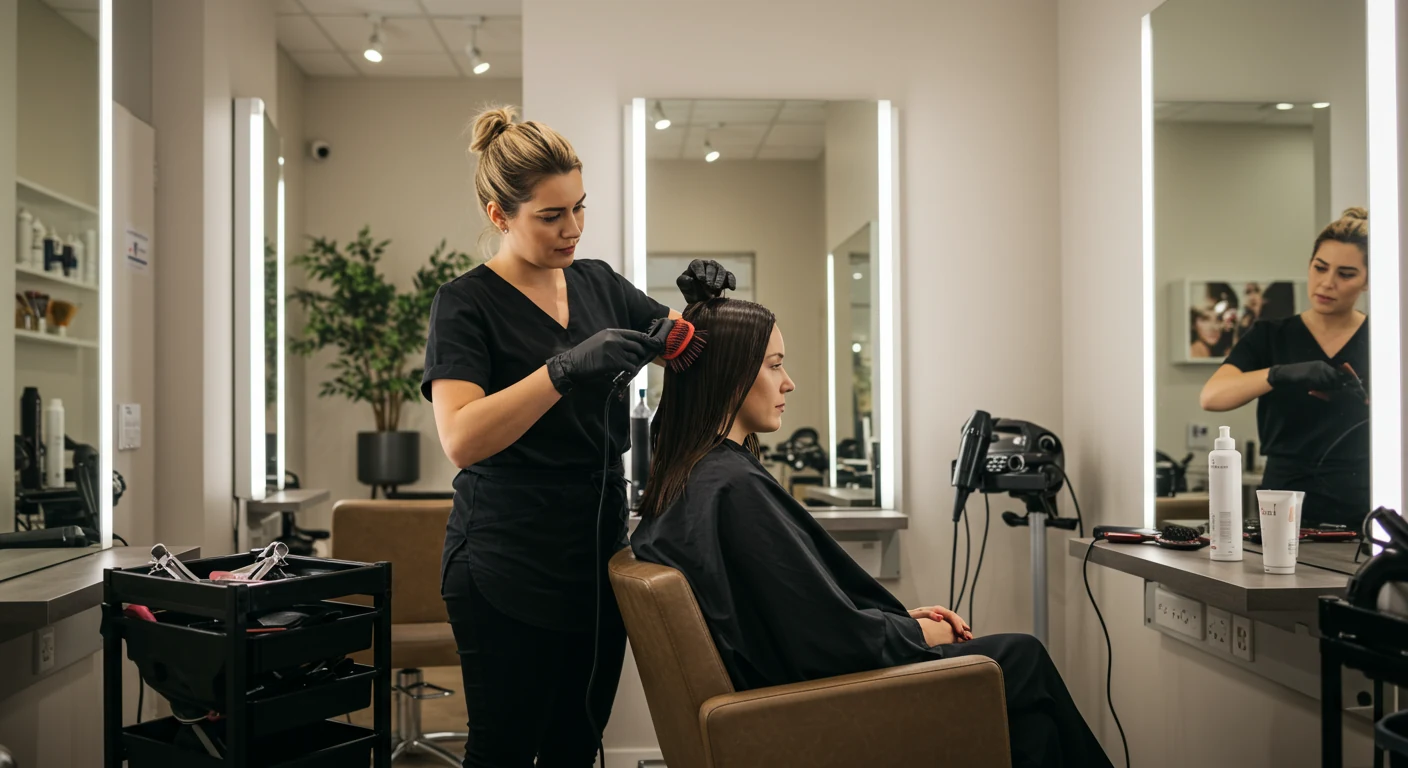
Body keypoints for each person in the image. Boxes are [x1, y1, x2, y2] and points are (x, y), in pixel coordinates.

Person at [630, 297, 1114, 768]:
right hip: (804, 709)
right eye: (775, 365)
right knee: (1023, 658)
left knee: (1032, 723)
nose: (789, 382)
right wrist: (919, 632)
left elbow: (795, 616)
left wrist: (899, 621)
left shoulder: (690, 478)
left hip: (781, 693)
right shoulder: (732, 487)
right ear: (730, 375)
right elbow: (826, 641)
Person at [423, 105, 735, 767]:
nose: (573, 229)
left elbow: (686, 347)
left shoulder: (598, 284)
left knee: (574, 745)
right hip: (504, 561)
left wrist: (708, 309)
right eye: (551, 215)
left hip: (593, 559)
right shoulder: (466, 303)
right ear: (497, 213)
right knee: (506, 749)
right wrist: (561, 371)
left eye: (579, 208)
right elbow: (460, 437)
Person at [1200, 207, 1370, 528]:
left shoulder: (1384, 342)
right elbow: (1212, 396)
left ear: (1367, 281)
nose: (1327, 283)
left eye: (1346, 274)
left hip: (1359, 495)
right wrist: (1278, 374)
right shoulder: (1270, 335)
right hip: (1283, 494)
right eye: (1320, 268)